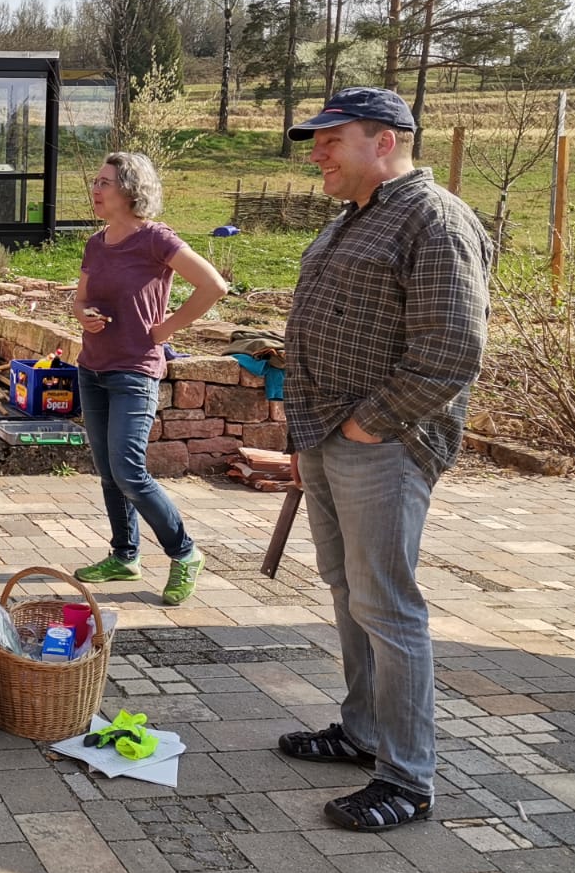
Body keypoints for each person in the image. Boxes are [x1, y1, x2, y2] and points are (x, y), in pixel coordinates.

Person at [278, 88, 492, 832]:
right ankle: (362, 731)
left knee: (388, 606)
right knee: (348, 591)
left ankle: (407, 778)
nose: (317, 153)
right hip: (327, 434)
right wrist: (311, 428)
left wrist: (369, 425)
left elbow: (453, 348)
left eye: (331, 139)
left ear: (385, 141)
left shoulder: (435, 220)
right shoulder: (354, 217)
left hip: (383, 443)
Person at [70, 152, 227, 606]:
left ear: (130, 190)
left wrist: (166, 329)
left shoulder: (156, 238)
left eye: (105, 183)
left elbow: (214, 285)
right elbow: (79, 299)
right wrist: (83, 314)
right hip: (92, 367)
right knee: (108, 472)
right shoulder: (96, 243)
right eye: (96, 181)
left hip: (134, 371)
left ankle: (185, 553)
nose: (95, 189)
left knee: (129, 471)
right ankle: (124, 556)